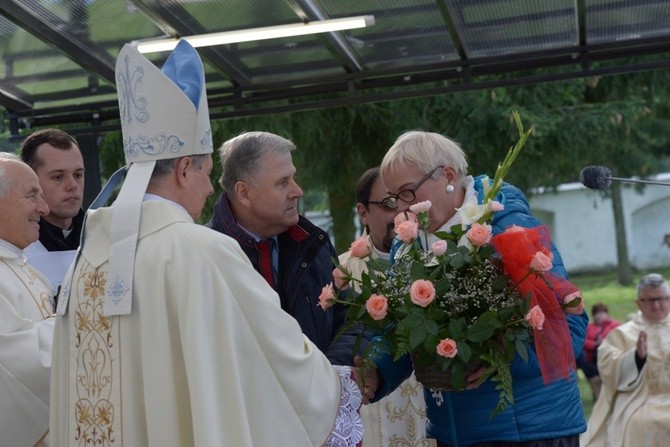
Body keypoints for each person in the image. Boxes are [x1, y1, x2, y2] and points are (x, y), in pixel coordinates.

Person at [49, 41, 365, 446]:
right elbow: (281, 358)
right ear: (184, 169)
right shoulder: (202, 250)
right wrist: (339, 383)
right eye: (205, 173)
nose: (207, 188)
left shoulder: (87, 258)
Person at [370, 131, 587, 446]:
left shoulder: (506, 229)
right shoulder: (407, 248)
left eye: (408, 192)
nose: (401, 209)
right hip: (455, 432)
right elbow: (399, 332)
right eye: (393, 198)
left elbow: (569, 327)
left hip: (529, 429)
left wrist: (495, 359)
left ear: (448, 175)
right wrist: (375, 370)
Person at [207, 131, 363, 365]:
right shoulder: (207, 259)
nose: (297, 191)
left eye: (293, 178)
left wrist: (327, 376)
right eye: (283, 182)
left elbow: (353, 318)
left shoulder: (312, 243)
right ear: (244, 193)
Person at [339, 167, 429, 446]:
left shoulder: (435, 260)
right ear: (363, 213)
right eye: (389, 204)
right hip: (375, 418)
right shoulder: (341, 275)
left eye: (405, 200)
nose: (400, 213)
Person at [0, 152, 54, 447]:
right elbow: (13, 362)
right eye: (32, 195)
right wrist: (83, 319)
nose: (44, 208)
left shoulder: (21, 266)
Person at [581, 273, 670, 447]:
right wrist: (636, 357)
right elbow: (608, 367)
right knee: (638, 423)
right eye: (650, 300)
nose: (657, 305)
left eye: (662, 299)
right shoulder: (623, 333)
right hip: (642, 400)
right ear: (638, 303)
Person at [20, 128, 85, 288]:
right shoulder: (16, 248)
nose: (73, 185)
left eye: (78, 175)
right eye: (58, 177)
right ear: (31, 181)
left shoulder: (105, 237)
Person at [577, 302, 619, 401]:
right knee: (592, 373)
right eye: (596, 314)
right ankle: (599, 399)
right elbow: (583, 342)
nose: (599, 316)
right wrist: (595, 344)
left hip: (609, 356)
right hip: (592, 357)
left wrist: (604, 341)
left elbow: (617, 338)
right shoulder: (589, 328)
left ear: (606, 314)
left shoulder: (614, 325)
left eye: (601, 313)